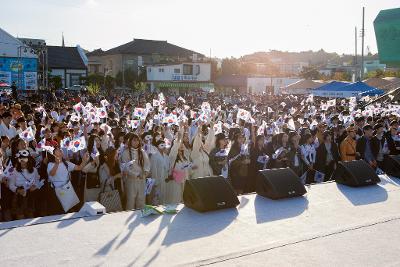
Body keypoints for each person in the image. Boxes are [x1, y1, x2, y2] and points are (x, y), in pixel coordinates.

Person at [46, 148, 89, 214]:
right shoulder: (50, 164)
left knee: (68, 208)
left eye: (60, 149)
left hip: (67, 189)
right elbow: (52, 174)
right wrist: (57, 164)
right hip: (57, 191)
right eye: (57, 150)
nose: (60, 149)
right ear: (54, 154)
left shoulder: (66, 163)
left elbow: (79, 168)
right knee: (58, 210)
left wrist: (84, 161)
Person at [120, 134, 150, 210]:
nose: (136, 142)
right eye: (134, 140)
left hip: (141, 179)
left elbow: (147, 164)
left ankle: (140, 217)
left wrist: (145, 173)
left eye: (137, 140)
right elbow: (125, 167)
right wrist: (135, 175)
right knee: (131, 200)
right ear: (130, 141)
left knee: (141, 200)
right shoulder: (125, 152)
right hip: (131, 180)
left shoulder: (142, 152)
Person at [8, 150, 41, 219]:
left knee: (30, 215)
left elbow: (38, 181)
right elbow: (11, 185)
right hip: (19, 196)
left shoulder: (34, 170)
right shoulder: (15, 171)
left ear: (28, 160)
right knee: (20, 216)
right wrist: (18, 190)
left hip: (31, 195)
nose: (22, 161)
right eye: (20, 159)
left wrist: (35, 186)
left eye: (25, 159)